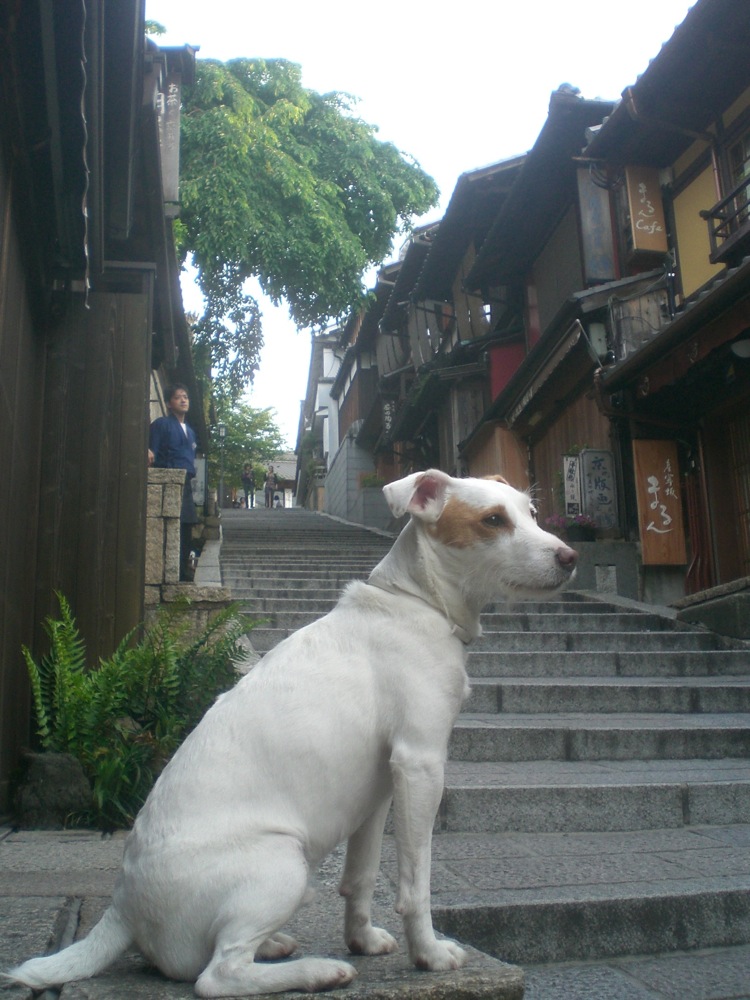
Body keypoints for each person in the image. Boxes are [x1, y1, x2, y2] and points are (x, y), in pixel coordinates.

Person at [149, 383, 199, 582]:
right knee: (172, 524)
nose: (183, 400)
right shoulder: (161, 424)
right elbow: (152, 449)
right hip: (169, 477)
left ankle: (183, 570)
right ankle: (170, 572)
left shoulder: (191, 431)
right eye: (178, 397)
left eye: (186, 397)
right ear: (170, 403)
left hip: (186, 479)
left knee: (187, 524)